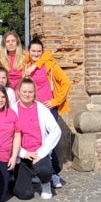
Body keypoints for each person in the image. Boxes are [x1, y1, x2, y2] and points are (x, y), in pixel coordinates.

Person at [25, 35, 72, 188]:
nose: (36, 54)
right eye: (33, 51)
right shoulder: (25, 65)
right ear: (28, 52)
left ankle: (54, 173)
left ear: (42, 52)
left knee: (49, 141)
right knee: (34, 140)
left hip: (48, 108)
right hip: (32, 109)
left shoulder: (49, 66)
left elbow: (66, 82)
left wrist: (55, 101)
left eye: (39, 51)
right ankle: (37, 171)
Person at [11, 77, 61, 201]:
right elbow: (8, 135)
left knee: (44, 170)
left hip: (39, 153)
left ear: (34, 93)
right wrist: (23, 153)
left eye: (30, 92)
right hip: (23, 154)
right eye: (24, 91)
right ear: (18, 92)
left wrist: (41, 152)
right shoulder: (12, 110)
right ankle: (22, 180)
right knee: (25, 194)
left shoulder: (42, 109)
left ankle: (45, 182)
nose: (27, 94)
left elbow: (56, 131)